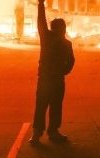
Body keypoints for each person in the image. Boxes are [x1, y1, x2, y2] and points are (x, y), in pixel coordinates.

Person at [29, 0, 75, 144]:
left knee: (51, 106)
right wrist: (41, 5)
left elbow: (71, 61)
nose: (63, 30)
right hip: (48, 79)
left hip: (53, 79)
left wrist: (63, 72)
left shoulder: (61, 42)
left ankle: (48, 131)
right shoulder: (48, 39)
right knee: (45, 105)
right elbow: (41, 22)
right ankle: (41, 132)